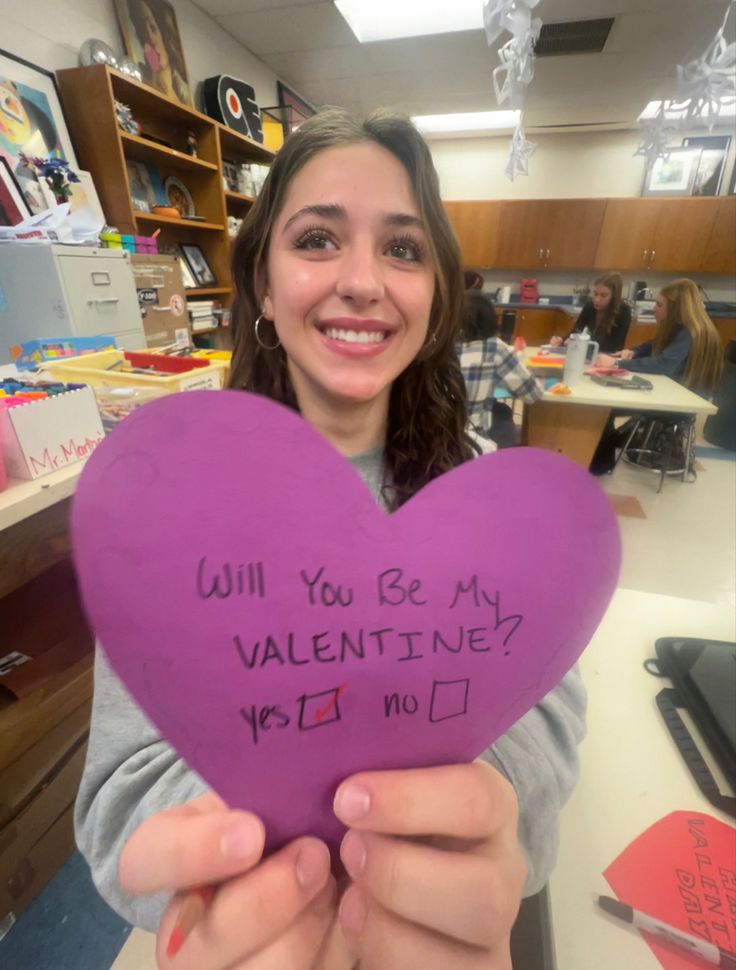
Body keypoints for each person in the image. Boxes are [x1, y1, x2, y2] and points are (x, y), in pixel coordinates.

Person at [75, 108, 586, 969]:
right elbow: (122, 797)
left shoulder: (494, 495)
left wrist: (469, 826)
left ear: (436, 295)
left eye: (403, 247)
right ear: (264, 287)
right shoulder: (169, 510)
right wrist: (249, 869)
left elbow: (545, 737)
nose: (362, 280)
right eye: (316, 239)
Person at [591, 278, 723, 473]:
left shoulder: (690, 333)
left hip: (679, 403)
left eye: (659, 305)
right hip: (676, 393)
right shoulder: (684, 329)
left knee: (608, 404)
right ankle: (607, 452)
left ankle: (601, 464)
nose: (654, 309)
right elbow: (652, 344)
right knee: (611, 401)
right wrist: (633, 352)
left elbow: (662, 366)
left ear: (677, 309)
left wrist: (617, 363)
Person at [458, 291, 542, 448]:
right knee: (503, 412)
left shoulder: (436, 347)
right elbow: (533, 394)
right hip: (474, 439)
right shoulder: (494, 348)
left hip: (437, 435)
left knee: (500, 409)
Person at [126, 0, 191, 105]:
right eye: (142, 30)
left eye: (153, 27)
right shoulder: (140, 82)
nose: (150, 39)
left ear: (166, 36)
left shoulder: (183, 98)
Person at [550, 272, 631, 354]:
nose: (597, 300)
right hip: (591, 353)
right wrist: (562, 340)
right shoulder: (589, 306)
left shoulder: (623, 311)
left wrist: (582, 345)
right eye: (595, 294)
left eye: (603, 296)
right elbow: (576, 331)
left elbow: (614, 347)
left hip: (609, 357)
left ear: (614, 297)